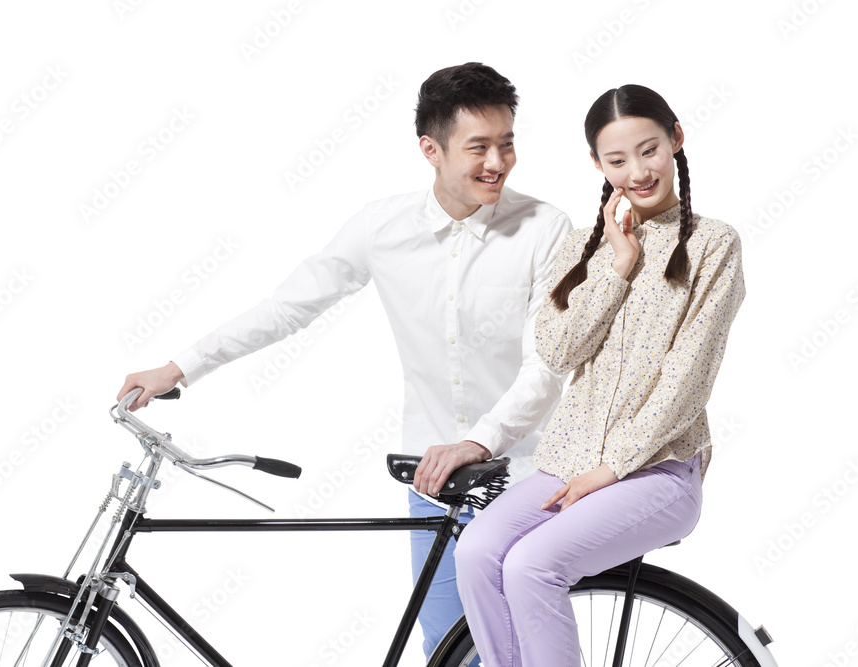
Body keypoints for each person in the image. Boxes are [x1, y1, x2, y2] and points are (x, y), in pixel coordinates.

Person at [117, 62, 571, 659]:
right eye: (479, 147)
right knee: (445, 649)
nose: (498, 162)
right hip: (433, 473)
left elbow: (550, 363)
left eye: (507, 144)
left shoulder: (546, 228)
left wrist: (481, 441)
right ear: (430, 149)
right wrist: (180, 367)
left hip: (528, 470)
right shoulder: (382, 227)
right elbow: (287, 307)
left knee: (526, 645)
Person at [453, 84, 746, 666]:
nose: (638, 171)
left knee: (533, 565)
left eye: (650, 150)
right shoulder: (585, 245)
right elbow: (557, 351)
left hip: (658, 471)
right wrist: (616, 266)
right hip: (568, 464)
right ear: (597, 165)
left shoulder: (714, 245)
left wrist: (611, 469)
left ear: (676, 141)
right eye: (617, 160)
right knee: (478, 551)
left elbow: (687, 383)